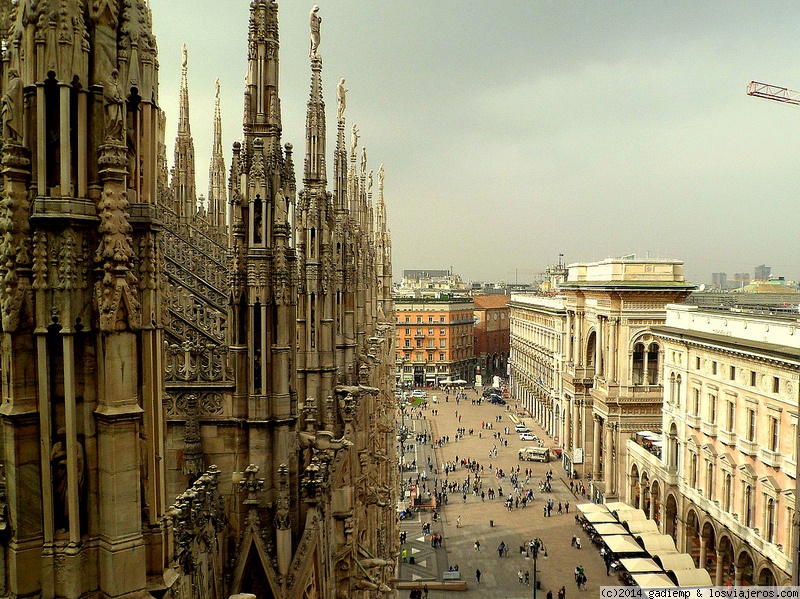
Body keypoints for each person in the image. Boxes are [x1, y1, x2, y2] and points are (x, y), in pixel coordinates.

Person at [103, 69, 124, 141]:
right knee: (112, 118)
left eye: (116, 74)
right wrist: (115, 99)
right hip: (111, 103)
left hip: (118, 105)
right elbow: (107, 93)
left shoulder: (118, 83)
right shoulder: (108, 82)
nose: (115, 76)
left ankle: (116, 136)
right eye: (114, 74)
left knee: (119, 121)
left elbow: (121, 93)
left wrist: (121, 99)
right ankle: (109, 135)